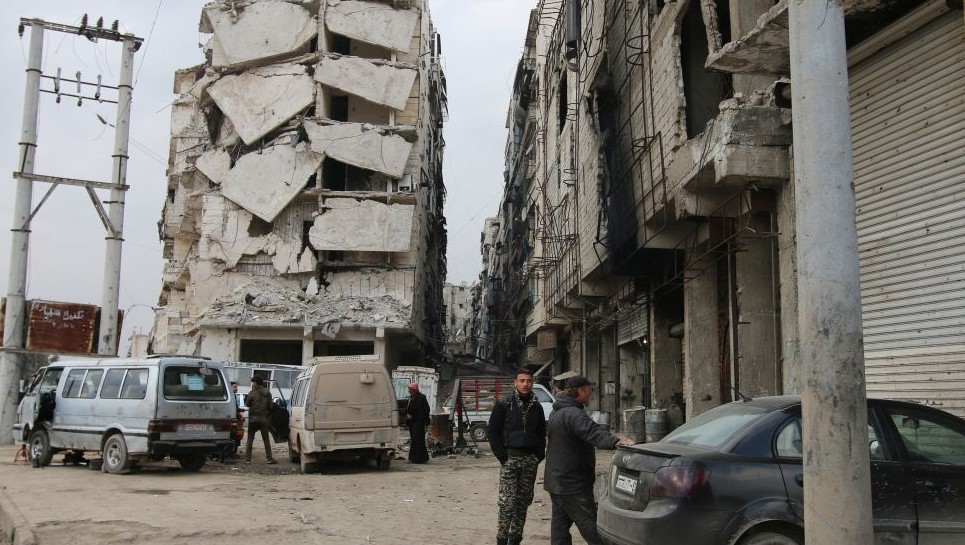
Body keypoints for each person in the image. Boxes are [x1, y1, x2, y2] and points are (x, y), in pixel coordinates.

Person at [544, 375, 634, 545]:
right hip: (571, 484)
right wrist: (617, 441)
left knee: (560, 527)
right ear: (581, 391)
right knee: (591, 526)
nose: (591, 394)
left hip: (557, 481)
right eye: (589, 390)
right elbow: (593, 432)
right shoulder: (573, 414)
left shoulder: (558, 411)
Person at [488, 368, 547, 545]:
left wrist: (538, 456)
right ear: (515, 382)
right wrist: (503, 458)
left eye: (529, 381)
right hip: (510, 460)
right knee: (507, 504)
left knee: (523, 504)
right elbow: (493, 433)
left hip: (530, 461)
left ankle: (515, 540)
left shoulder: (536, 407)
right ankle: (501, 540)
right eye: (522, 380)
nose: (525, 384)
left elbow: (541, 433)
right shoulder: (504, 405)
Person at [244, 376, 277, 464]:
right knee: (266, 440)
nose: (252, 384)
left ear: (255, 382)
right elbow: (271, 406)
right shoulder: (268, 392)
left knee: (250, 439)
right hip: (264, 419)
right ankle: (269, 458)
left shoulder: (252, 393)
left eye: (253, 382)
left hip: (253, 419)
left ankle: (248, 459)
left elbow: (247, 404)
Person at [405, 382, 431, 463]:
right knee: (414, 440)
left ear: (415, 390)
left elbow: (426, 410)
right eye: (409, 389)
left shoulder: (421, 397)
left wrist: (414, 417)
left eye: (411, 389)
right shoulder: (411, 398)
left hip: (419, 422)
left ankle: (419, 459)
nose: (410, 391)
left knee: (418, 440)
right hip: (412, 423)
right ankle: (415, 458)